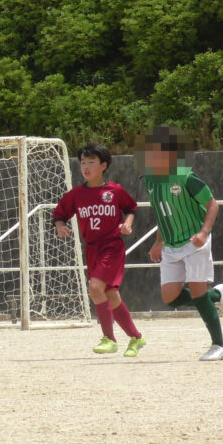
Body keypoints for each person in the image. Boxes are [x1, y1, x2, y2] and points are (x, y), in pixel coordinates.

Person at [141, 127, 223, 361]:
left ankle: (220, 345)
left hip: (195, 241)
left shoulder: (186, 177)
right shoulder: (150, 181)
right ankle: (217, 296)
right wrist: (158, 242)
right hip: (171, 245)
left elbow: (213, 205)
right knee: (170, 297)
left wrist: (203, 232)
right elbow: (163, 214)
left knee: (197, 292)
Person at [53, 143, 145, 357]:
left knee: (95, 288)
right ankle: (136, 338)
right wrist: (60, 227)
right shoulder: (76, 195)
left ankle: (109, 339)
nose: (85, 167)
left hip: (112, 247)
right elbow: (59, 214)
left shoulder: (115, 190)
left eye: (91, 162)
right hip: (92, 249)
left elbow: (130, 207)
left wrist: (127, 223)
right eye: (82, 162)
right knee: (110, 294)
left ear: (103, 165)